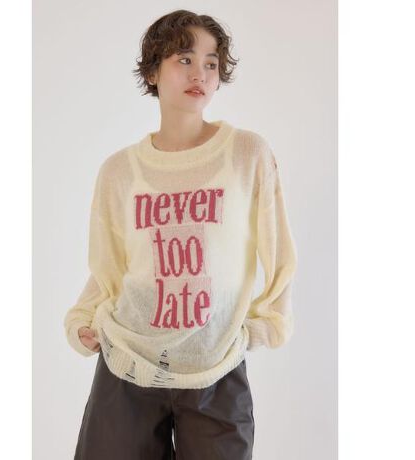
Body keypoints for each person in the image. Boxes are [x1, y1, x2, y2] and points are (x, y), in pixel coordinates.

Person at [63, 9, 298, 460]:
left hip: (216, 365)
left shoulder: (246, 153)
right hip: (127, 362)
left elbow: (279, 252)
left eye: (211, 63)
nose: (200, 74)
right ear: (153, 71)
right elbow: (109, 265)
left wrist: (262, 327)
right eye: (184, 59)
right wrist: (83, 319)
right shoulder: (119, 170)